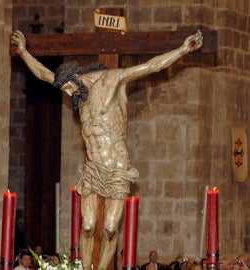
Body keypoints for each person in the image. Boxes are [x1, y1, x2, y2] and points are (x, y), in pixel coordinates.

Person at [11, 29, 203, 270]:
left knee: (111, 228)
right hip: (93, 168)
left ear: (77, 77)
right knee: (88, 225)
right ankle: (85, 268)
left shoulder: (112, 81)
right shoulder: (74, 88)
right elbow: (43, 74)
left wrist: (183, 50)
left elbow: (150, 67)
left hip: (117, 169)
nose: (68, 93)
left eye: (69, 88)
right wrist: (23, 52)